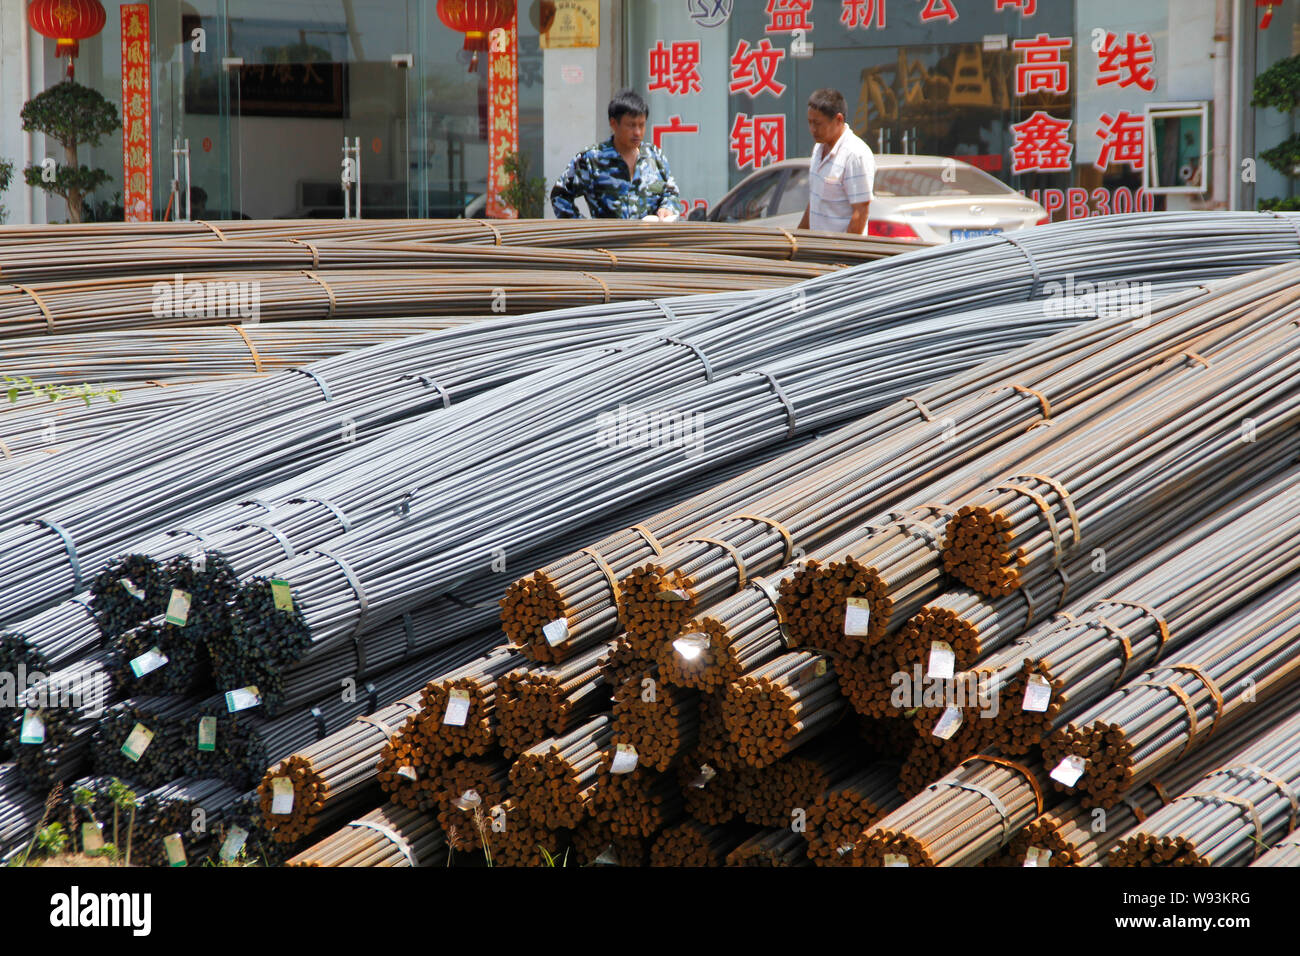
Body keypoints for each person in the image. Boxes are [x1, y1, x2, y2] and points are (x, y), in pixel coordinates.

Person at [551, 90, 686, 220]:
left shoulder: (655, 156)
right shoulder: (592, 159)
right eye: (631, 125)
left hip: (649, 242)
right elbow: (560, 196)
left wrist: (667, 208)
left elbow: (671, 193)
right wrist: (586, 233)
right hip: (608, 242)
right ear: (614, 124)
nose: (638, 132)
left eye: (642, 125)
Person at [799, 88, 876, 235]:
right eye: (809, 123)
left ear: (838, 119)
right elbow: (815, 202)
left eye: (818, 123)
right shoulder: (818, 149)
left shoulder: (855, 154)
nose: (812, 129)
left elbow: (860, 213)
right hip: (815, 252)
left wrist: (843, 253)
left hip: (838, 254)